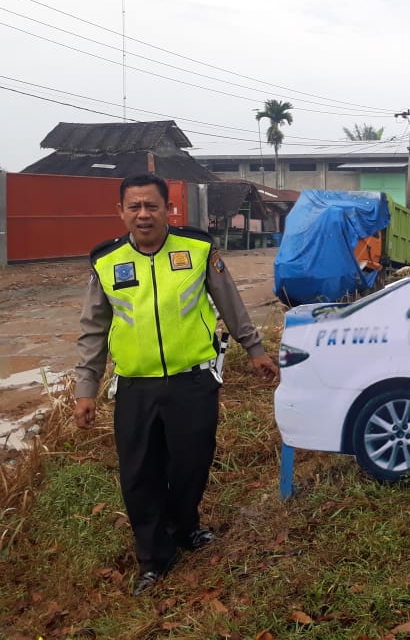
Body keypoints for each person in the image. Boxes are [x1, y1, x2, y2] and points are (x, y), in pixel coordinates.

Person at [73, 173, 279, 596]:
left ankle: (184, 527)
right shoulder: (106, 262)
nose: (144, 214)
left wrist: (255, 350)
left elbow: (230, 302)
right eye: (135, 207)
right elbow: (93, 328)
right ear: (121, 212)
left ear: (169, 209)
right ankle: (153, 557)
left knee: (191, 463)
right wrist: (85, 388)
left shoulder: (198, 249)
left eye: (152, 206)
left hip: (193, 382)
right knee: (139, 474)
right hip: (136, 387)